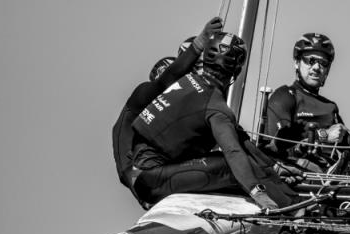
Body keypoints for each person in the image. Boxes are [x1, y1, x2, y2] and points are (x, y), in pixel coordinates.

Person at [130, 32, 299, 210]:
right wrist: (258, 194)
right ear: (237, 70)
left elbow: (241, 140)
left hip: (142, 173)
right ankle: (292, 209)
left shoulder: (188, 80)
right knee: (233, 166)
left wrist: (275, 167)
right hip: (152, 181)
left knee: (239, 162)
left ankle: (288, 198)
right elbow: (233, 152)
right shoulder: (216, 107)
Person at [112, 17, 223, 205]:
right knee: (227, 164)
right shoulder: (145, 94)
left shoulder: (174, 110)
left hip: (158, 172)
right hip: (141, 176)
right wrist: (201, 41)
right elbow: (169, 77)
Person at [261, 33, 350, 171]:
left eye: (323, 63)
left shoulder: (331, 107)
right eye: (310, 60)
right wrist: (324, 135)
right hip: (297, 174)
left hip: (334, 175)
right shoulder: (285, 96)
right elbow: (276, 145)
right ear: (297, 63)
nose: (317, 67)